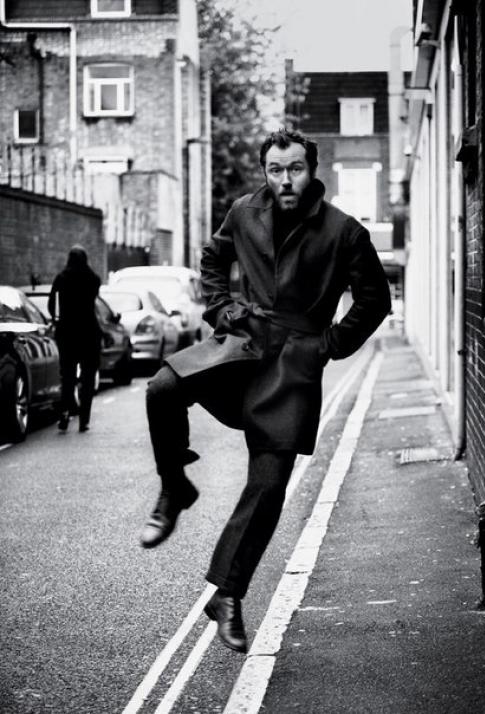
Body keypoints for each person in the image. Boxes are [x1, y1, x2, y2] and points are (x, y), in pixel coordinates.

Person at [142, 128, 391, 653]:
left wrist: (329, 345)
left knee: (269, 485)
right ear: (266, 172)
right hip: (241, 344)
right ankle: (175, 486)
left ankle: (228, 596)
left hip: (292, 367)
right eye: (275, 170)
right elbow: (213, 260)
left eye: (295, 168)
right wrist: (219, 308)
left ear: (312, 170)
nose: (285, 179)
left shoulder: (344, 231)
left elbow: (374, 299)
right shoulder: (243, 212)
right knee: (163, 387)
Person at [48, 245, 101, 433]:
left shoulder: (61, 278)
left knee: (67, 377)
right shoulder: (93, 279)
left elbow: (51, 304)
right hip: (88, 333)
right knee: (88, 378)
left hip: (67, 333)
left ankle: (64, 414)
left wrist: (57, 320)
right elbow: (93, 302)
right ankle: (84, 420)